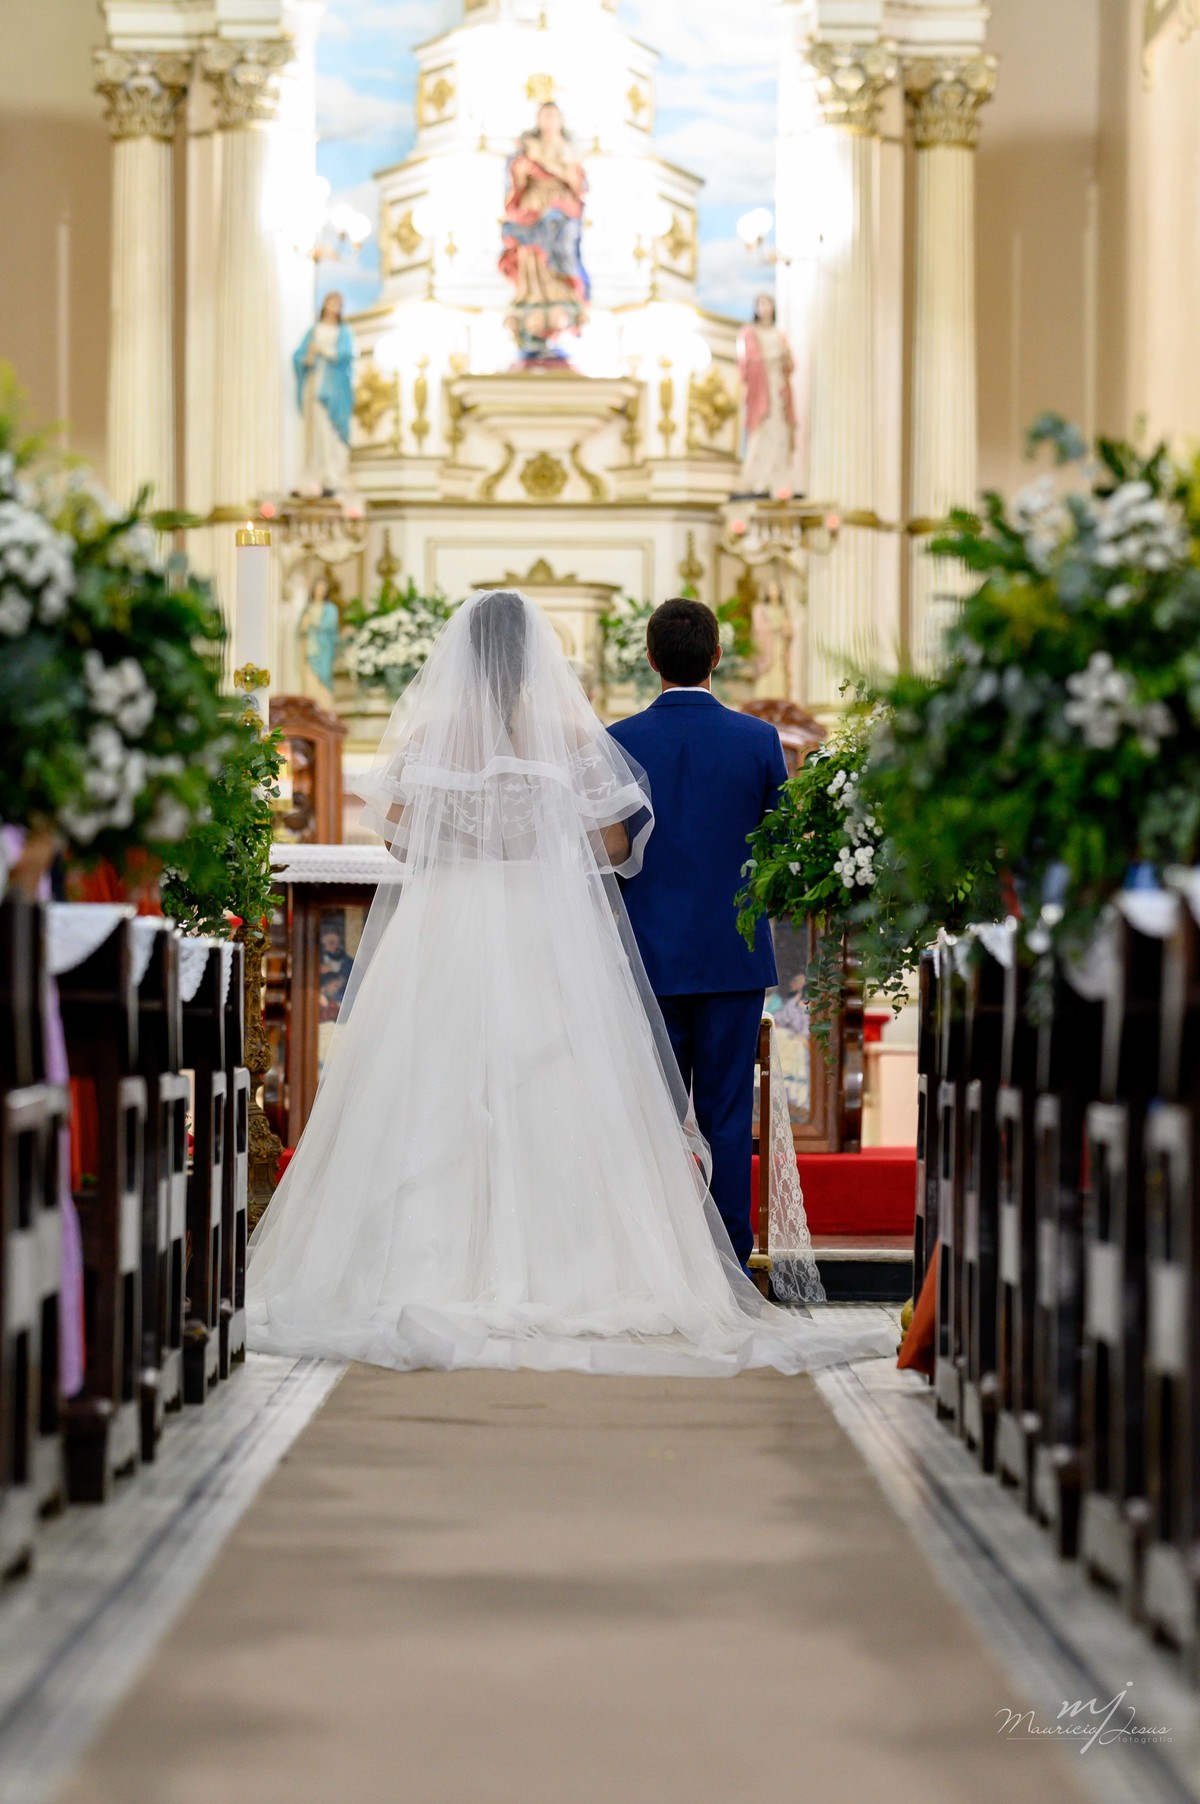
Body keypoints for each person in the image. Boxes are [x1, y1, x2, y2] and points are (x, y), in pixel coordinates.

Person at [246, 589, 892, 1375]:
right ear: (535, 660)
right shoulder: (570, 737)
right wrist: (539, 849)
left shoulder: (432, 738)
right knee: (560, 1086)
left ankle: (413, 1259)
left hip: (449, 927)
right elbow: (616, 844)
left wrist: (469, 845)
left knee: (432, 1079)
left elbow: (399, 836)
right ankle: (622, 1262)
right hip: (542, 928)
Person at [608, 598, 787, 1272]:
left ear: (650, 659)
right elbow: (779, 847)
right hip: (732, 956)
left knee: (648, 1118)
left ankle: (655, 1264)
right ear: (717, 656)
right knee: (728, 1115)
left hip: (647, 957)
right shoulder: (758, 740)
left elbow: (607, 854)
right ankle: (730, 1261)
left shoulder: (617, 740)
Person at [293, 293, 354, 497]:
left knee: (330, 431)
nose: (334, 306)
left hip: (333, 387)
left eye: (338, 303)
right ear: (325, 305)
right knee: (315, 430)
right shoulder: (314, 330)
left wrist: (323, 351)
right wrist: (309, 356)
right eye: (331, 302)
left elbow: (346, 355)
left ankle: (332, 477)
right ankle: (313, 478)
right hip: (315, 382)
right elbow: (300, 357)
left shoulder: (343, 332)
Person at [736, 294, 795, 498]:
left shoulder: (779, 335)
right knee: (761, 434)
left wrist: (784, 359)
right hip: (761, 389)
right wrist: (768, 359)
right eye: (761, 304)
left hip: (777, 388)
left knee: (780, 433)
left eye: (768, 303)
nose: (765, 308)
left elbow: (790, 364)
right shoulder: (749, 333)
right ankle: (758, 481)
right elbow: (746, 363)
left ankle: (778, 482)